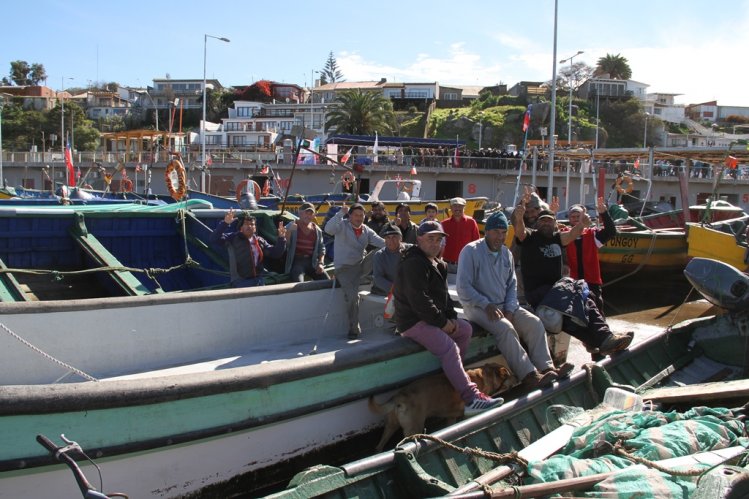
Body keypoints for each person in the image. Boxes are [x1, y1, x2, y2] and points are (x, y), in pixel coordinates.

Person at [393, 220, 504, 416]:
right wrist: (443, 323)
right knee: (449, 348)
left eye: (439, 239)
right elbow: (419, 300)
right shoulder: (413, 263)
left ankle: (452, 378)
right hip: (412, 322)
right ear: (419, 239)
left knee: (466, 330)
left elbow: (443, 298)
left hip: (430, 319)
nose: (435, 243)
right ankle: (471, 398)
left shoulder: (438, 264)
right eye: (430, 239)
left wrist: (451, 318)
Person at [457, 211, 573, 389]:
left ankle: (547, 367)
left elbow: (512, 285)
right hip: (477, 307)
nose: (500, 237)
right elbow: (464, 288)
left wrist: (510, 308)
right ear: (486, 231)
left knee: (535, 323)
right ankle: (529, 375)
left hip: (504, 304)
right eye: (496, 232)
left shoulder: (506, 253)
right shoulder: (470, 251)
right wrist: (485, 304)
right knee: (505, 328)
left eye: (503, 232)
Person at [513, 205, 633, 356]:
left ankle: (605, 338)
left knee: (587, 298)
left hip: (557, 289)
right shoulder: (530, 237)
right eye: (542, 221)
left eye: (549, 221)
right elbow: (520, 232)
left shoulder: (557, 238)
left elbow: (571, 234)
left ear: (555, 224)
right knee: (568, 313)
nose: (545, 223)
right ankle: (600, 341)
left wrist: (582, 224)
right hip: (538, 292)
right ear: (537, 224)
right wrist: (518, 217)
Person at [325, 203, 385, 339]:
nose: (359, 218)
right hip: (344, 269)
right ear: (350, 215)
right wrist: (340, 213)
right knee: (352, 297)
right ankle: (353, 328)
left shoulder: (366, 230)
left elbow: (382, 242)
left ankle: (383, 279)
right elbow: (328, 229)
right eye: (356, 215)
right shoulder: (342, 225)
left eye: (361, 215)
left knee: (381, 251)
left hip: (361, 266)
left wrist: (404, 246)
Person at [564, 198, 617, 312]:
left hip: (591, 281)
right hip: (572, 281)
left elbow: (611, 231)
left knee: (596, 309)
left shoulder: (592, 234)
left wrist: (604, 213)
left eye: (578, 216)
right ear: (569, 219)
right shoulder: (565, 233)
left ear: (584, 217)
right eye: (573, 217)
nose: (576, 219)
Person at [210, 209, 287, 288]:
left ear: (255, 228)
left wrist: (281, 238)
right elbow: (214, 239)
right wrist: (225, 223)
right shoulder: (233, 238)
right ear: (241, 228)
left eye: (252, 224)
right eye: (246, 224)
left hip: (258, 280)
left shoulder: (259, 240)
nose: (249, 226)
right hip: (240, 281)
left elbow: (276, 253)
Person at [284, 202, 329, 282]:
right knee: (298, 284)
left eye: (310, 214)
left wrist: (321, 263)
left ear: (314, 215)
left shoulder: (317, 230)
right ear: (300, 213)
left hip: (312, 262)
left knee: (327, 281)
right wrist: (289, 232)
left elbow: (321, 248)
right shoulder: (291, 225)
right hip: (297, 262)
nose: (308, 216)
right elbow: (285, 245)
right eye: (306, 213)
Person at [371, 223, 412, 296]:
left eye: (394, 237)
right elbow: (378, 278)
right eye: (388, 237)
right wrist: (397, 289)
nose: (391, 240)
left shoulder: (411, 249)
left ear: (401, 238)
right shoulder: (379, 255)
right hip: (391, 292)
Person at [441, 197, 480, 273]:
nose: (457, 208)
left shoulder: (471, 222)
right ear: (451, 208)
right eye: (455, 206)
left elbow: (477, 243)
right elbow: (440, 244)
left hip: (466, 265)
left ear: (464, 207)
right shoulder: (443, 224)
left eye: (460, 206)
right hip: (447, 265)